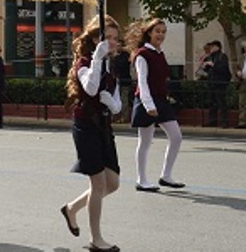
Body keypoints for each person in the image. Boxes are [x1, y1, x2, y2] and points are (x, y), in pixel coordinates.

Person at [61, 15, 122, 252]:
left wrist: (115, 105)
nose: (112, 43)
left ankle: (71, 208)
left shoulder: (111, 65)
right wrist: (97, 57)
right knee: (98, 184)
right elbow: (91, 88)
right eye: (107, 38)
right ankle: (96, 239)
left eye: (115, 39)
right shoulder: (84, 62)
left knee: (113, 183)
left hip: (104, 127)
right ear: (95, 39)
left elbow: (114, 98)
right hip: (85, 126)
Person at [128, 18, 184, 192]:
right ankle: (141, 179)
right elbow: (142, 82)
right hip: (147, 100)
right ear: (149, 33)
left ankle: (166, 176)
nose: (161, 34)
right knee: (145, 141)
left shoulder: (160, 53)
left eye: (163, 31)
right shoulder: (142, 54)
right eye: (157, 31)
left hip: (161, 100)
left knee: (176, 137)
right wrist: (148, 105)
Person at [202, 40, 232, 128]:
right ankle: (212, 120)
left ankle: (224, 122)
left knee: (221, 103)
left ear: (217, 47)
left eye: (212, 46)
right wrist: (205, 66)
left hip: (220, 83)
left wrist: (213, 65)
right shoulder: (211, 57)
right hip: (212, 82)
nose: (211, 48)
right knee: (212, 103)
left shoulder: (222, 57)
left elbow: (223, 69)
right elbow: (207, 69)